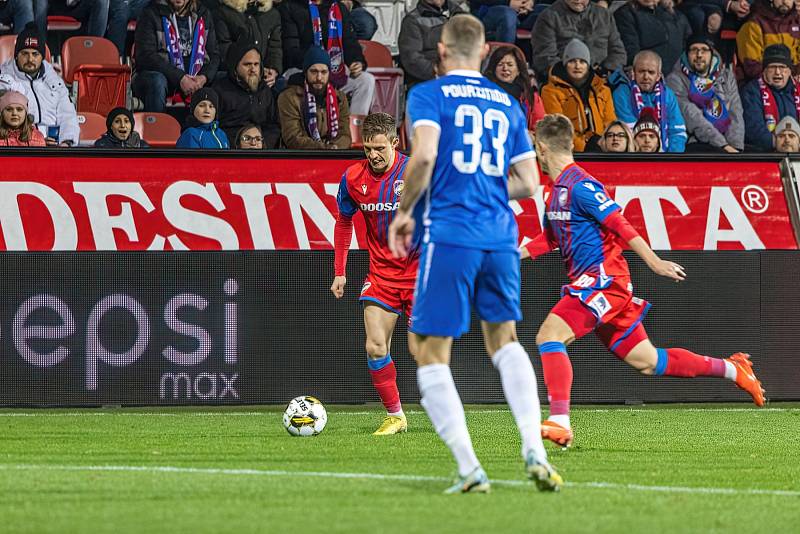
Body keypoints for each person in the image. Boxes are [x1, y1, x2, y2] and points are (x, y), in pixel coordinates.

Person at [388, 14, 562, 494]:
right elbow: (528, 183)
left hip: (451, 232)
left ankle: (470, 469)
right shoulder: (507, 104)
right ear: (485, 53)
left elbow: (422, 156)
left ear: (441, 52)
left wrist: (405, 211)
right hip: (501, 236)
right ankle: (534, 448)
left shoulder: (427, 94)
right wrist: (486, 187)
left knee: (426, 348)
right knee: (504, 340)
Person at [520, 113, 765, 448]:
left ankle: (560, 421)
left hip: (604, 282)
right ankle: (733, 370)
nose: (536, 157)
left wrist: (655, 263)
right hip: (597, 286)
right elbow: (549, 240)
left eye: (536, 151)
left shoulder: (582, 186)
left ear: (543, 148)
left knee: (549, 336)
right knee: (649, 362)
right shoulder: (555, 193)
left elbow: (621, 225)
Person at [331, 113, 416, 435]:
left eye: (379, 148)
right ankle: (396, 416)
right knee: (375, 346)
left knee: (423, 351)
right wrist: (340, 271)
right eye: (367, 149)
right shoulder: (353, 178)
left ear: (395, 142)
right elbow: (344, 221)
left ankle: (443, 407)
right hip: (381, 275)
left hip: (421, 274)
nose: (373, 155)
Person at [279, 0, 375, 115]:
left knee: (366, 80)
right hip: (302, 69)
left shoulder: (338, 8)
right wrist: (317, 60)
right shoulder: (290, 7)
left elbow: (349, 42)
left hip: (334, 70)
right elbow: (290, 50)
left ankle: (355, 128)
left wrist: (356, 61)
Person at [0, 23, 80, 146]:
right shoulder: (4, 80)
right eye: (25, 53)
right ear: (16, 56)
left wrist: (66, 142)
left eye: (35, 54)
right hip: (22, 146)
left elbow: (68, 115)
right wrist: (35, 140)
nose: (30, 59)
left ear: (42, 56)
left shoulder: (54, 80)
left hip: (56, 146)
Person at [133, 0, 220, 112]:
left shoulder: (203, 14)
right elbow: (146, 56)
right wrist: (180, 78)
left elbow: (215, 54)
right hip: (164, 76)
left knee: (224, 80)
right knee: (157, 81)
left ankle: (220, 128)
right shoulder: (151, 13)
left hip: (197, 78)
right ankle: (155, 127)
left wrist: (204, 77)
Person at [666, 34, 744, 152]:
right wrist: (723, 145)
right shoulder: (675, 79)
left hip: (728, 142)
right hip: (695, 141)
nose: (699, 55)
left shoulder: (726, 76)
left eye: (704, 50)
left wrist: (736, 147)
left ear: (712, 53)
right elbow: (692, 116)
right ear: (687, 54)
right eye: (694, 50)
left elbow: (735, 112)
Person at [541, 38, 617, 151]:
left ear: (588, 65)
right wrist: (584, 147)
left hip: (603, 151)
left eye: (582, 61)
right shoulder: (550, 91)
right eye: (572, 61)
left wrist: (603, 146)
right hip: (570, 153)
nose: (577, 66)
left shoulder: (603, 90)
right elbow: (558, 128)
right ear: (565, 64)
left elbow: (610, 123)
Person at [610, 50, 687, 152]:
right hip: (633, 157)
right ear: (633, 72)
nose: (646, 77)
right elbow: (628, 131)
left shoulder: (668, 94)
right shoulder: (622, 93)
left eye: (651, 72)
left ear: (658, 76)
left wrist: (670, 160)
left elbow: (677, 131)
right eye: (641, 71)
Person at [530, 0, 626, 80]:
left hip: (603, 80)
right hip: (564, 82)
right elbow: (544, 58)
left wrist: (606, 70)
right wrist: (576, 75)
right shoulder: (548, 17)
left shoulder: (604, 15)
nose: (578, 0)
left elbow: (618, 52)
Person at [277, 46, 351, 149]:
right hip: (300, 157)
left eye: (324, 72)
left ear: (329, 74)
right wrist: (325, 148)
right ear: (305, 72)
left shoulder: (340, 98)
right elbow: (292, 138)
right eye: (314, 72)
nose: (319, 78)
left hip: (333, 155)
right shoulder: (289, 97)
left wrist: (336, 148)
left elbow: (345, 135)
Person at [215, 40, 280, 147]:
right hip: (230, 152)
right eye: (247, 64)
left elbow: (273, 127)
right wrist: (239, 143)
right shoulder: (220, 90)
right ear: (235, 67)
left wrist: (262, 143)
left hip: (260, 152)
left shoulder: (265, 91)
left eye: (256, 64)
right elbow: (214, 128)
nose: (253, 69)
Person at [742, 44, 800, 151]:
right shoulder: (752, 91)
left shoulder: (798, 89)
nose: (777, 72)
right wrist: (779, 143)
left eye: (782, 67)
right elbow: (752, 128)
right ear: (764, 70)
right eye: (772, 67)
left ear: (789, 71)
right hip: (767, 154)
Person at [213, 0, 283, 84]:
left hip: (263, 76)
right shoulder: (224, 12)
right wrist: (253, 69)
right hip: (234, 76)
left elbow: (275, 46)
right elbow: (225, 48)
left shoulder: (272, 14)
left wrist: (273, 70)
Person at [399, 0, 465, 87]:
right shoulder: (412, 21)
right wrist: (440, 73)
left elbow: (474, 49)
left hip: (463, 80)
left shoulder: (462, 16)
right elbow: (412, 59)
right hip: (428, 83)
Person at [614, 0, 692, 73]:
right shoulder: (626, 14)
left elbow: (688, 43)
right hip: (648, 76)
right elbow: (631, 51)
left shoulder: (674, 14)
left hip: (678, 74)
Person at [484, 44, 545, 134]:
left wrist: (532, 135)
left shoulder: (529, 94)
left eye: (510, 65)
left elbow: (541, 127)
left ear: (518, 70)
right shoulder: (485, 92)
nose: (505, 68)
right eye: (500, 64)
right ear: (493, 69)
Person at [736, 0, 800, 81]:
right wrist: (783, 77)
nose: (785, 1)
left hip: (792, 81)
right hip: (760, 83)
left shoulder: (797, 21)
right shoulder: (754, 23)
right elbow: (751, 66)